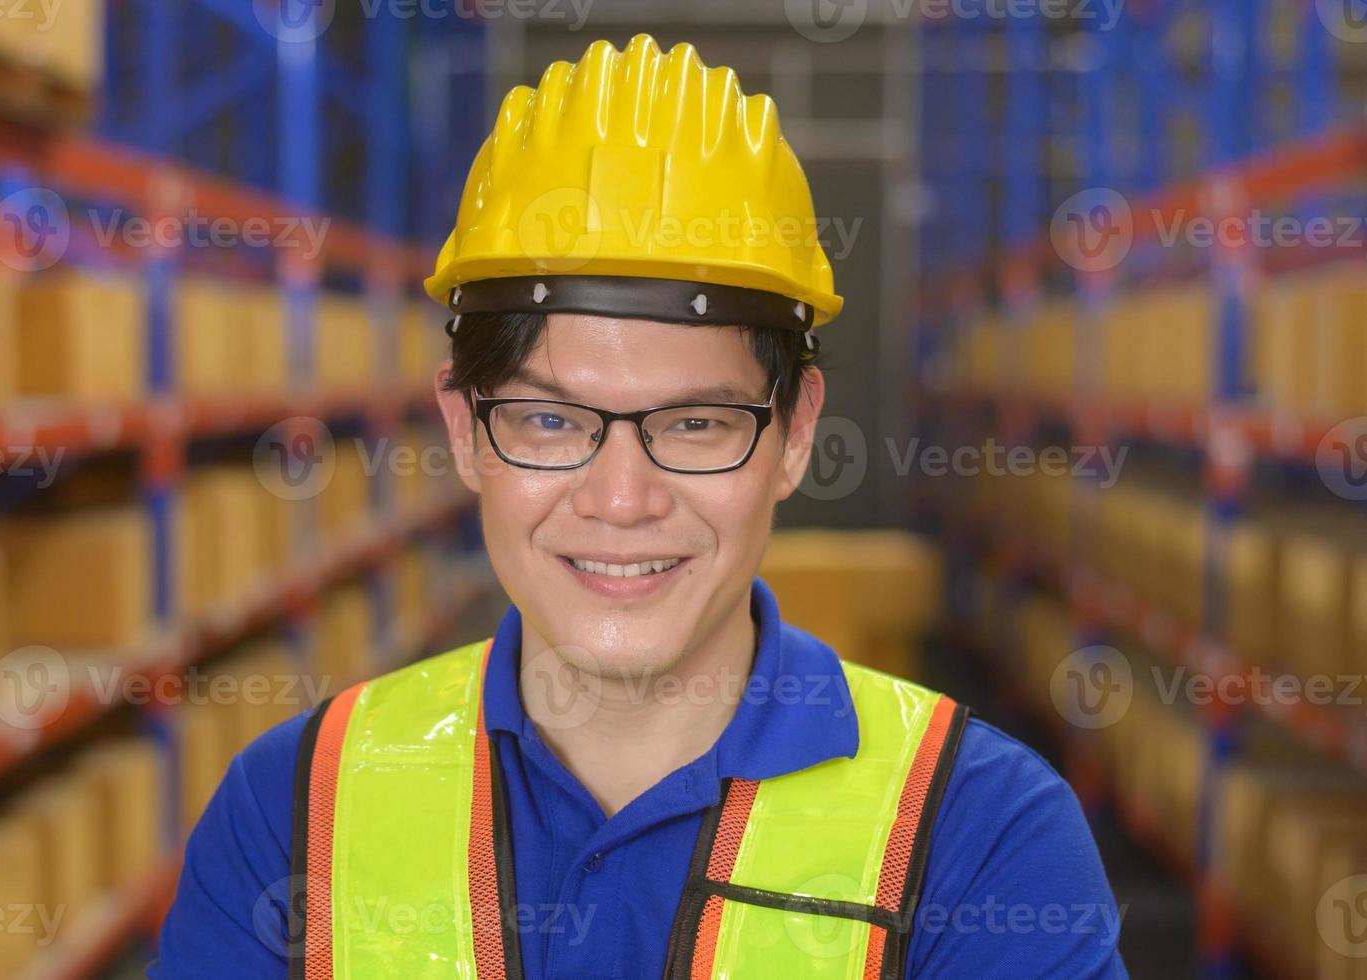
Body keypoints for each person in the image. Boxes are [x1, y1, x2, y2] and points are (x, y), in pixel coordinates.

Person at [152, 34, 1127, 979]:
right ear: (462, 428)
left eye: (697, 423)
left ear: (793, 435)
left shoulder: (976, 834)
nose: (621, 499)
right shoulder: (295, 809)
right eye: (547, 419)